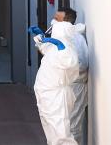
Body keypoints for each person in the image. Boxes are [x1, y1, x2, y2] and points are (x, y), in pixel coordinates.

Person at [33, 21, 79, 145]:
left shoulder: (68, 50)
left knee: (61, 132)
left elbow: (70, 62)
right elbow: (46, 49)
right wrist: (40, 37)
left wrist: (61, 48)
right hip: (47, 96)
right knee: (51, 130)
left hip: (57, 97)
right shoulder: (55, 47)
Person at [53, 8, 88, 145]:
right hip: (64, 86)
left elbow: (83, 64)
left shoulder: (76, 39)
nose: (54, 20)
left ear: (67, 22)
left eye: (58, 18)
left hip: (75, 86)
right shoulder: (60, 36)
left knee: (73, 126)